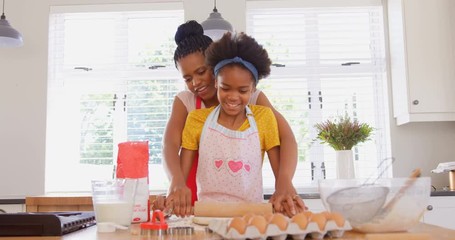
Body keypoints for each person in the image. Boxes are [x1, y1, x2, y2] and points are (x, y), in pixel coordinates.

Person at [160, 20, 305, 217]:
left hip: (248, 206)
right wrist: (176, 181)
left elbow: (285, 137)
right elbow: (169, 144)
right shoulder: (188, 105)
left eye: (201, 71)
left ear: (213, 65)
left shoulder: (255, 102)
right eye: (187, 78)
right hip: (198, 200)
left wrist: (284, 181)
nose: (195, 82)